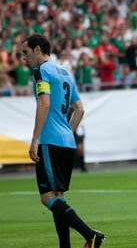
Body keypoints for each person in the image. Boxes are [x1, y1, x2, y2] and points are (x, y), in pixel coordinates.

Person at [23, 33, 104, 248]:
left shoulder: (40, 71)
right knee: (58, 197)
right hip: (66, 141)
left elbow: (44, 104)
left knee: (46, 197)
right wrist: (67, 132)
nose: (24, 57)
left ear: (38, 49)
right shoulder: (65, 72)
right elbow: (79, 109)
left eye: (26, 52)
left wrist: (34, 140)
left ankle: (91, 235)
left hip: (50, 140)